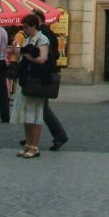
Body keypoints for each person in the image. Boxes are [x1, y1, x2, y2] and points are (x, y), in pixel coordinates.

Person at [13, 13, 48, 158]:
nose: (25, 30)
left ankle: (35, 146)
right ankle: (27, 144)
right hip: (25, 79)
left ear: (34, 26)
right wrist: (17, 53)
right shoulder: (27, 40)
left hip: (37, 80)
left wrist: (26, 55)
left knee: (36, 115)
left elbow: (42, 59)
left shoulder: (42, 39)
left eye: (27, 27)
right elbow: (20, 59)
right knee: (26, 114)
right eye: (23, 27)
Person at [35, 10, 68, 151]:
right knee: (38, 107)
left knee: (42, 107)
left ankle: (59, 135)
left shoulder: (41, 35)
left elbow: (42, 56)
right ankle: (31, 137)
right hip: (47, 74)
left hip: (41, 75)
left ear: (37, 20)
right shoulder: (51, 33)